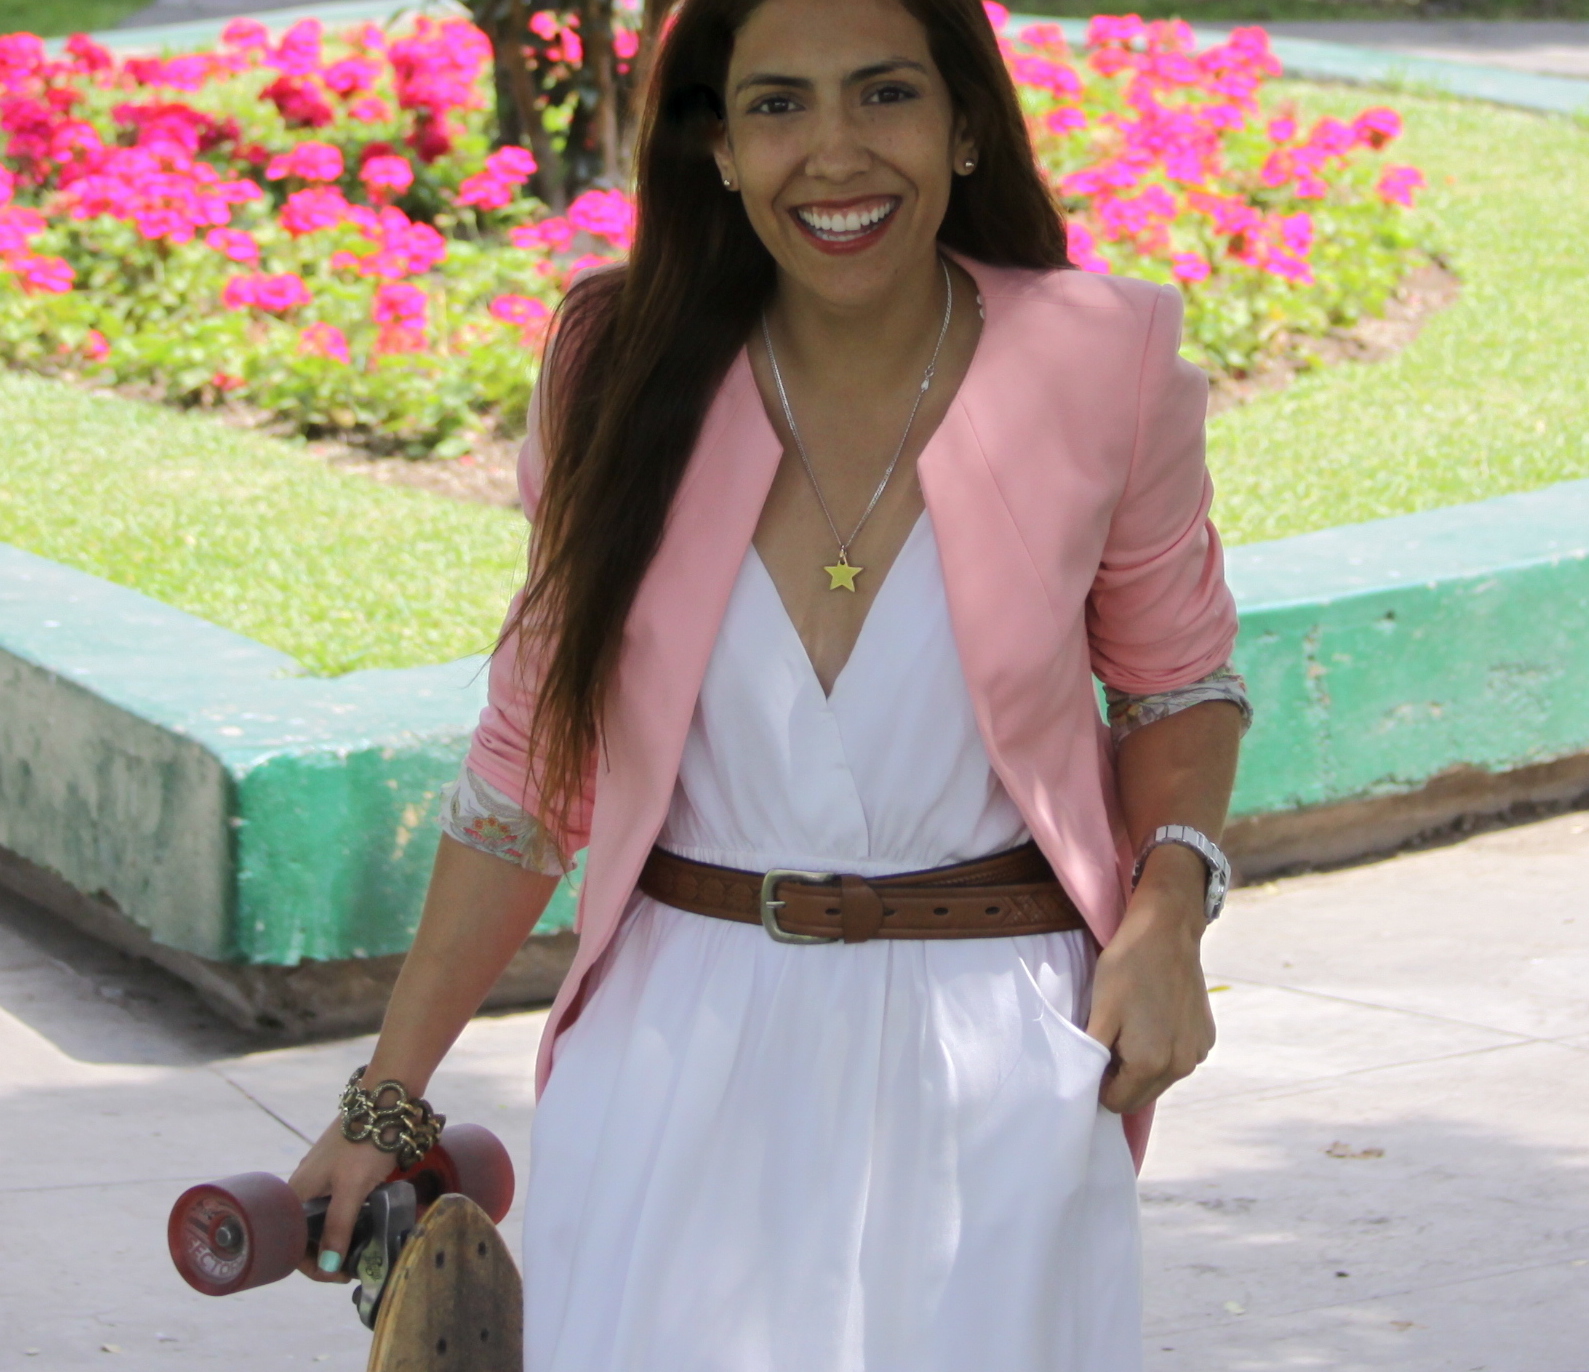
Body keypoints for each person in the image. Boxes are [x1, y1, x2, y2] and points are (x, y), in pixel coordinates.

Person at [289, 0, 1250, 1366]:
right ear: (720, 148)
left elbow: (1174, 685)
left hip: (1000, 1054)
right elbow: (529, 765)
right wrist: (387, 1100)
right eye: (778, 104)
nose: (834, 152)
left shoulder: (1105, 357)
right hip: (673, 1052)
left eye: (885, 93)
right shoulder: (616, 366)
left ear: (965, 124)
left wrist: (1168, 916)